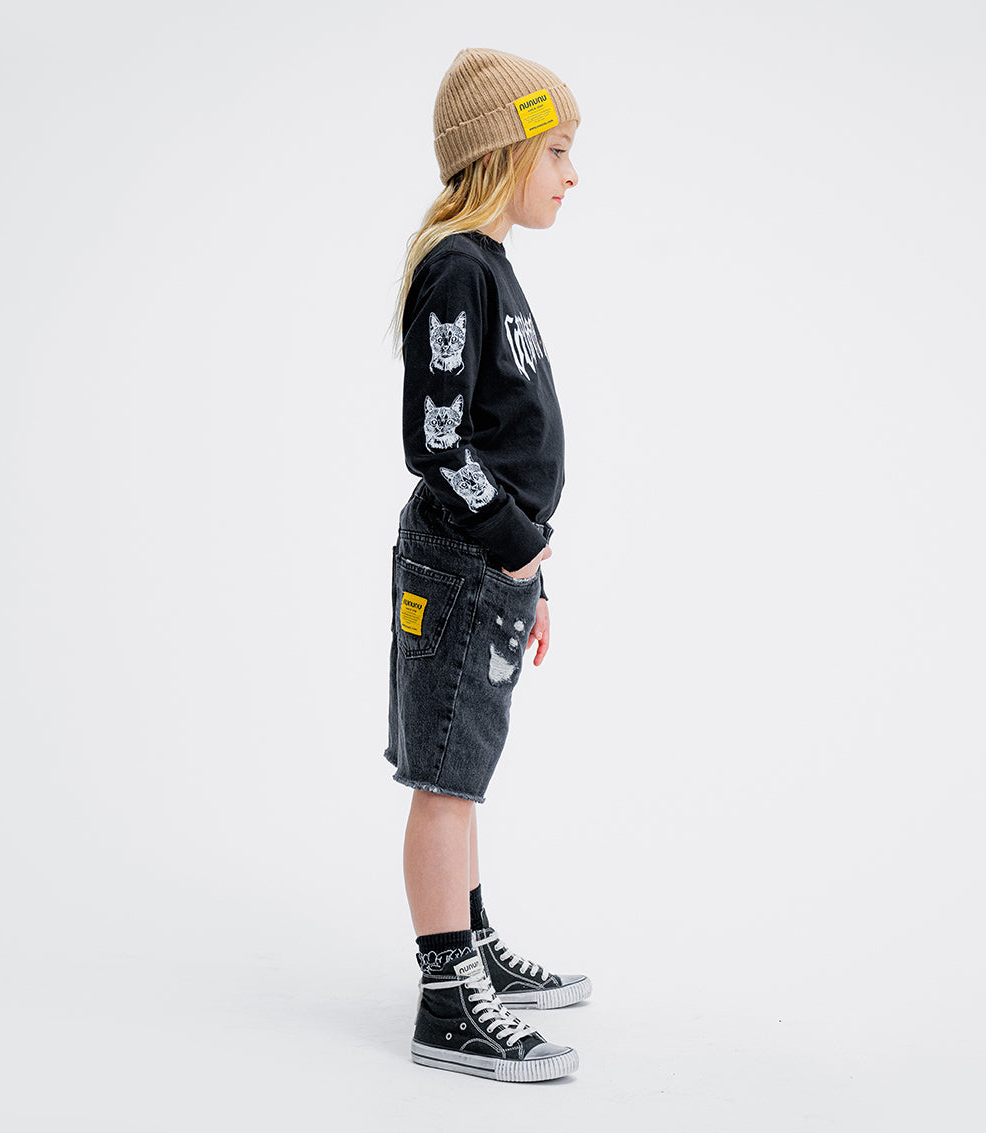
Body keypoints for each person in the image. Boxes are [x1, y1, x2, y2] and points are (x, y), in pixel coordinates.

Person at [385, 47, 589, 1083]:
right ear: (502, 152)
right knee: (443, 779)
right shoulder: (458, 269)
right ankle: (445, 995)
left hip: (491, 569)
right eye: (556, 150)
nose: (571, 173)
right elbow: (437, 440)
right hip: (459, 565)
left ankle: (468, 941)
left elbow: (500, 440)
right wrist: (513, 544)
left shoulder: (492, 268)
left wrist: (529, 569)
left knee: (464, 771)